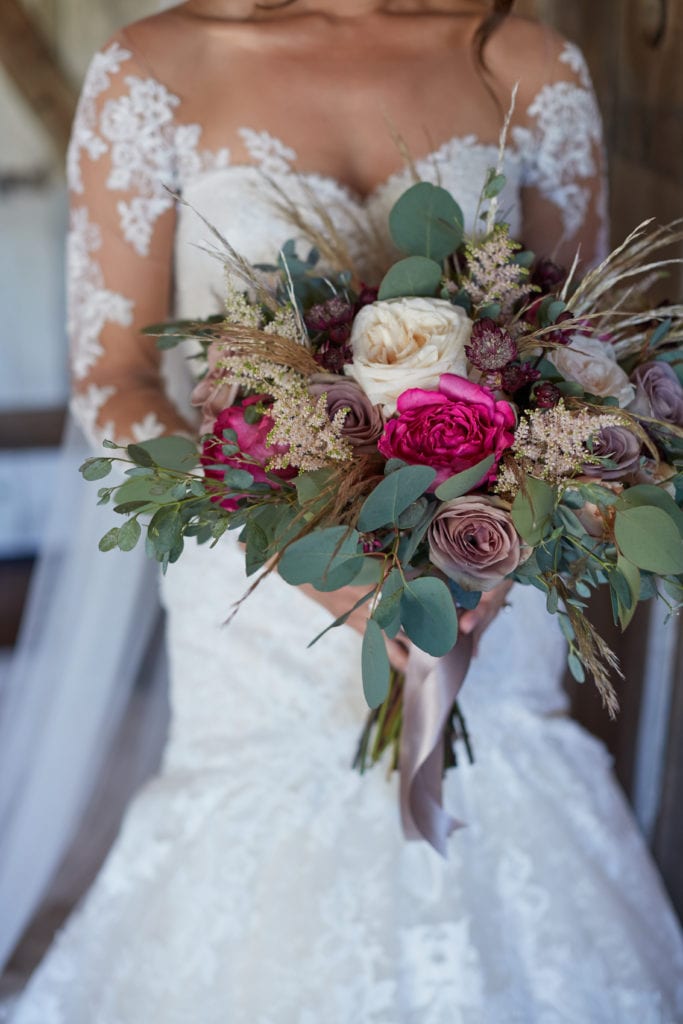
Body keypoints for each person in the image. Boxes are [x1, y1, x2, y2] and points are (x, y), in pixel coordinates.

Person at [7, 0, 683, 1019]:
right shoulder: (153, 69)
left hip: (480, 566)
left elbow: (575, 369)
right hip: (250, 579)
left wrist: (495, 549)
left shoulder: (526, 63)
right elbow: (116, 376)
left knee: (509, 818)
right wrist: (294, 540)